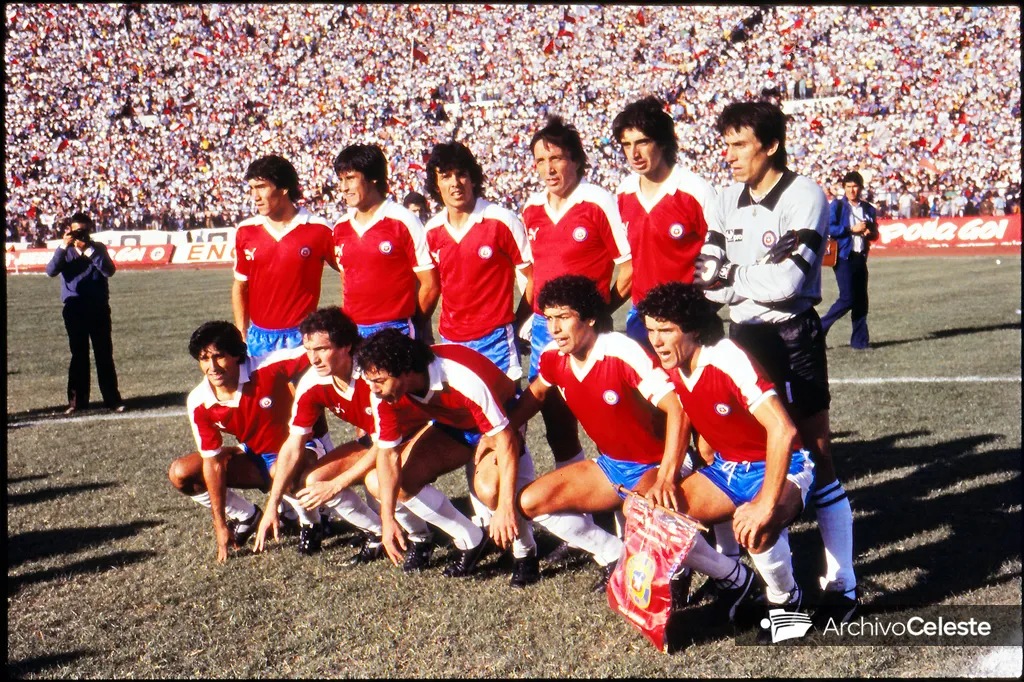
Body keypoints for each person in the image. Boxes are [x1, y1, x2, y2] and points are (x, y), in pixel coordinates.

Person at [693, 100, 859, 625]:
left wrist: (732, 278)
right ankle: (765, 588)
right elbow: (704, 276)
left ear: (771, 145)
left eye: (740, 145)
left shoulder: (806, 194)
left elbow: (790, 281)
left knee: (818, 454)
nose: (730, 155)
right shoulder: (724, 199)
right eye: (727, 145)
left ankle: (842, 585)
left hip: (792, 335)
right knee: (737, 455)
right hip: (742, 336)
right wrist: (738, 277)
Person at [638, 282, 816, 632]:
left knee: (758, 528)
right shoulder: (673, 365)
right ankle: (736, 579)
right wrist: (666, 476)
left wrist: (765, 502)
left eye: (666, 330)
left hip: (785, 463)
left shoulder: (727, 356)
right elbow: (684, 414)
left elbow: (784, 430)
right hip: (727, 469)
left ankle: (786, 601)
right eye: (650, 330)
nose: (656, 341)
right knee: (656, 521)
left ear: (694, 330)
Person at [507, 275, 693, 592]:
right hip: (613, 466)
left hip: (656, 464)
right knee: (529, 501)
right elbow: (537, 393)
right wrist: (501, 430)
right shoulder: (553, 355)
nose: (554, 329)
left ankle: (689, 573)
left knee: (642, 518)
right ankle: (612, 554)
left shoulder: (620, 351)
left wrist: (666, 475)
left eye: (563, 318)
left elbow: (679, 408)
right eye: (549, 319)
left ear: (589, 318)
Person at [356, 328, 542, 587]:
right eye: (370, 380)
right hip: (455, 424)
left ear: (407, 370)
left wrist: (506, 507)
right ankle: (472, 538)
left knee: (490, 490)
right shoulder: (381, 393)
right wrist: (387, 519)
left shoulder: (458, 376)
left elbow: (505, 439)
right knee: (397, 482)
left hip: (502, 421)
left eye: (381, 381)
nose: (374, 390)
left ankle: (526, 553)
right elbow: (387, 457)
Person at [252, 307, 432, 562]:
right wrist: (273, 504)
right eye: (308, 349)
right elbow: (294, 445)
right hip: (380, 441)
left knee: (376, 479)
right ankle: (378, 534)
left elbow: (387, 445)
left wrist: (337, 484)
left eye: (322, 349)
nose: (313, 359)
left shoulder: (372, 375)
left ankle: (421, 538)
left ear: (347, 346)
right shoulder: (313, 381)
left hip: (417, 434)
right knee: (314, 480)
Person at [423, 141, 535, 532]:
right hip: (451, 347)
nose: (455, 183)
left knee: (502, 435)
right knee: (473, 437)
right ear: (435, 184)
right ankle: (490, 529)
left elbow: (532, 281)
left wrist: (517, 321)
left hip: (494, 348)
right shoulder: (432, 230)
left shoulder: (501, 220)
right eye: (445, 176)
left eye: (461, 174)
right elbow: (431, 287)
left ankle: (523, 538)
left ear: (473, 176)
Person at [520, 115, 632, 473]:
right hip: (544, 329)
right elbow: (535, 273)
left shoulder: (597, 201)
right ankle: (582, 514)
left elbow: (628, 267)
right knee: (555, 415)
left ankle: (622, 498)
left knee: (607, 414)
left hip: (589, 328)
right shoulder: (531, 209)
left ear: (576, 160)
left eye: (557, 158)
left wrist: (594, 310)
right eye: (540, 160)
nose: (548, 168)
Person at [166, 322, 332, 561]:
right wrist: (220, 523)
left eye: (219, 357)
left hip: (300, 451)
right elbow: (212, 463)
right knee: (181, 472)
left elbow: (318, 350)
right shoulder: (199, 400)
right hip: (256, 457)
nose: (211, 367)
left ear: (237, 354)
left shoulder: (267, 366)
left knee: (280, 470)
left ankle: (313, 523)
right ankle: (246, 516)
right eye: (204, 359)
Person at [612, 96, 716, 349]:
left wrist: (696, 311)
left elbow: (721, 258)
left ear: (663, 142)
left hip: (685, 318)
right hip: (640, 316)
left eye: (642, 142)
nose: (633, 154)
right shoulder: (623, 193)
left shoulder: (696, 191)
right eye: (626, 145)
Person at [332, 144, 440, 342]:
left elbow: (430, 284)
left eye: (350, 178)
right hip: (355, 332)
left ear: (373, 178)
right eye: (341, 180)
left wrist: (412, 324)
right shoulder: (341, 227)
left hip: (396, 330)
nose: (343, 187)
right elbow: (346, 279)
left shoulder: (403, 220)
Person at [232, 154, 338, 358]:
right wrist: (241, 334)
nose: (254, 196)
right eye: (251, 188)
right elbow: (240, 285)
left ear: (284, 189)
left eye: (261, 187)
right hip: (258, 340)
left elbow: (350, 272)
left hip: (303, 339)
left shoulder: (319, 230)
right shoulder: (246, 231)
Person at [45, 212, 124, 415]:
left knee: (103, 354)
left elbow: (108, 270)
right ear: (69, 231)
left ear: (90, 231)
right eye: (76, 230)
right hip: (74, 309)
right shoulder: (65, 252)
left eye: (84, 230)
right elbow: (51, 270)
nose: (80, 235)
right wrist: (64, 246)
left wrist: (88, 250)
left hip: (98, 307)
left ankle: (112, 400)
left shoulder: (97, 249)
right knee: (78, 355)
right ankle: (77, 402)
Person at [820, 171, 879, 350]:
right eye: (848, 187)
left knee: (861, 301)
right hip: (844, 256)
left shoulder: (869, 209)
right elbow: (830, 228)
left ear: (860, 187)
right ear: (843, 188)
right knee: (847, 298)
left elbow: (875, 233)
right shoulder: (837, 206)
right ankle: (818, 329)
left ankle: (860, 342)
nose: (852, 190)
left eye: (855, 186)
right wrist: (851, 229)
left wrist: (870, 233)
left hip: (860, 257)